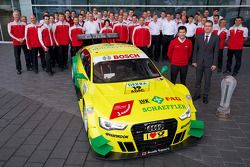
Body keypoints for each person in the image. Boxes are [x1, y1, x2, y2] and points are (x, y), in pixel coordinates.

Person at [192, 20, 219, 104]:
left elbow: (216, 52)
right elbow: (195, 50)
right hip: (199, 62)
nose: (207, 27)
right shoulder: (199, 36)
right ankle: (197, 94)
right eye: (206, 26)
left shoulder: (216, 38)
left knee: (207, 81)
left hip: (209, 63)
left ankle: (205, 96)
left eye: (209, 26)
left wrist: (214, 63)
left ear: (212, 27)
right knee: (198, 80)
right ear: (204, 27)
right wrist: (194, 61)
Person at [8, 10, 32, 74]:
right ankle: (19, 69)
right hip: (16, 43)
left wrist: (23, 38)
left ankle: (29, 66)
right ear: (13, 15)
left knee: (27, 55)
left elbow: (26, 33)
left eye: (18, 14)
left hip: (24, 42)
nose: (17, 16)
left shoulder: (23, 23)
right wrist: (18, 39)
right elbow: (10, 33)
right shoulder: (10, 24)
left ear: (19, 15)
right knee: (17, 56)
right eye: (15, 15)